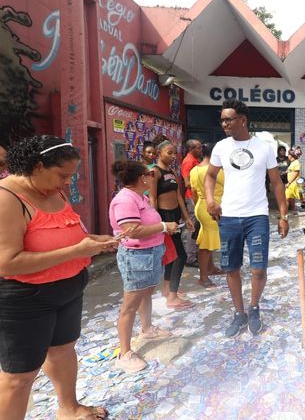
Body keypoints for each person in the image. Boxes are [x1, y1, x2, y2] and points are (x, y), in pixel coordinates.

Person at [0, 135, 117, 420]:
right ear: (38, 166)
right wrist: (77, 250)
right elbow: (7, 262)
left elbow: (61, 236)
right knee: (20, 375)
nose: (67, 182)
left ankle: (69, 407)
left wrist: (92, 241)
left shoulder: (53, 191)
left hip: (68, 287)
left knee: (63, 350)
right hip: (25, 298)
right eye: (62, 175)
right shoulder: (7, 198)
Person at [205, 99, 289, 338]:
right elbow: (210, 176)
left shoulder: (264, 147)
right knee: (231, 268)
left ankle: (254, 308)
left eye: (228, 119)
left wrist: (283, 215)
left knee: (258, 268)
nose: (224, 124)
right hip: (229, 217)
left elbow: (276, 183)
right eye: (222, 120)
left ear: (243, 120)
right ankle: (239, 313)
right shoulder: (221, 147)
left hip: (257, 217)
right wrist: (211, 200)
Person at [109, 160, 179, 373]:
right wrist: (164, 226)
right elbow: (132, 230)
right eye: (149, 174)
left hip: (150, 253)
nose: (152, 177)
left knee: (146, 292)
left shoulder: (141, 197)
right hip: (137, 255)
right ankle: (125, 352)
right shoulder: (125, 200)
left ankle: (147, 328)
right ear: (142, 178)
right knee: (131, 302)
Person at [149, 135, 195, 310]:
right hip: (164, 217)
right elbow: (152, 198)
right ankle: (172, 297)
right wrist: (157, 223)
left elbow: (178, 197)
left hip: (175, 216)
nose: (173, 156)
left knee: (172, 256)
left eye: (175, 153)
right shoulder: (155, 172)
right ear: (159, 153)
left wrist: (187, 218)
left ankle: (168, 290)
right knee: (179, 256)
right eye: (169, 153)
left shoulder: (172, 172)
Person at [190, 143, 225, 288]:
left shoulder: (194, 170)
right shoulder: (218, 171)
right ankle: (203, 277)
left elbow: (193, 193)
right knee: (206, 244)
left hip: (201, 206)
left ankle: (210, 268)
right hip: (213, 206)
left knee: (206, 239)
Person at [180, 139, 203, 266]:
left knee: (197, 226)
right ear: (191, 149)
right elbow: (187, 182)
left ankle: (194, 254)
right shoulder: (189, 162)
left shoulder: (195, 160)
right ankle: (190, 257)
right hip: (192, 197)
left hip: (197, 197)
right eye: (198, 148)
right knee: (192, 226)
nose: (200, 150)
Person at [285, 147, 303, 213]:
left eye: (288, 154)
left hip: (296, 184)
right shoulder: (292, 163)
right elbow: (291, 171)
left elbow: (296, 173)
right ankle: (284, 214)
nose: (288, 156)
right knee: (287, 198)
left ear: (292, 155)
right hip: (290, 185)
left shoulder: (296, 162)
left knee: (301, 198)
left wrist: (289, 183)